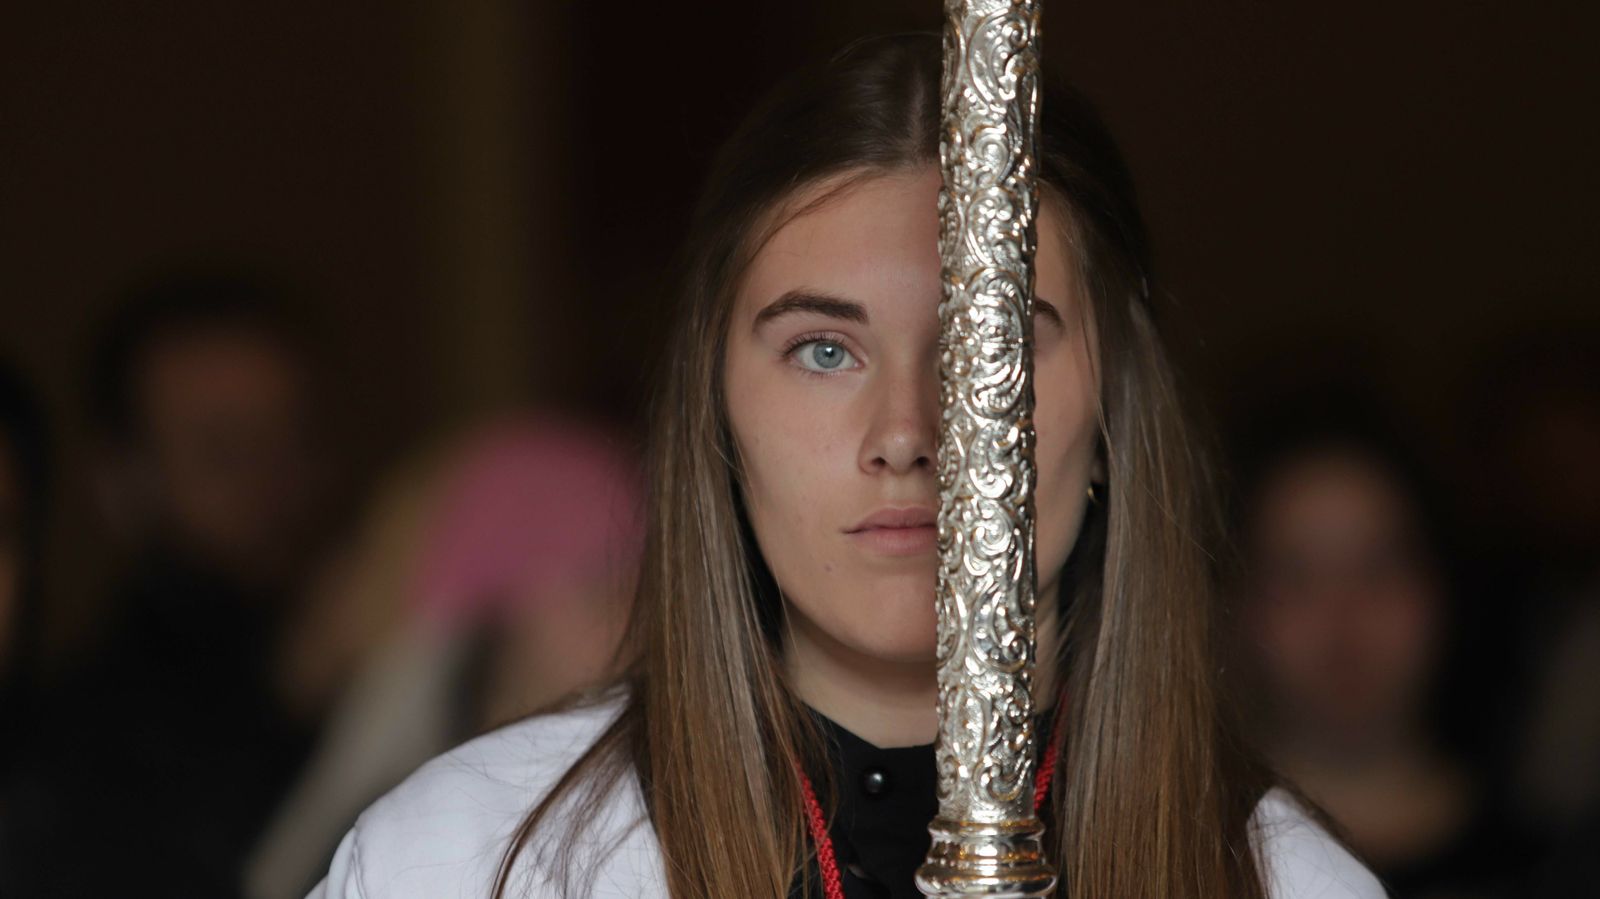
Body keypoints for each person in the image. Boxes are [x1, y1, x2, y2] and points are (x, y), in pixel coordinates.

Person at [311, 36, 1383, 899]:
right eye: (823, 350)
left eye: (986, 347)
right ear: (717, 416)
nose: (907, 431)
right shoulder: (460, 860)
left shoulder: (1288, 882)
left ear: (1109, 414)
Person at [5, 273, 326, 897]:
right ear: (122, 484)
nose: (274, 481)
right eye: (225, 452)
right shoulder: (85, 748)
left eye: (296, 440)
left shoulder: (382, 651)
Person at [1233, 401, 1520, 897]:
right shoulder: (1192, 858)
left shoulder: (1557, 859)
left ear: (1440, 587)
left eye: (1378, 567)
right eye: (1296, 578)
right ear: (1235, 607)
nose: (1345, 617)